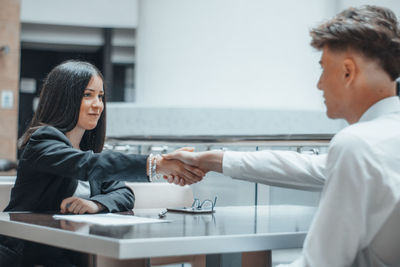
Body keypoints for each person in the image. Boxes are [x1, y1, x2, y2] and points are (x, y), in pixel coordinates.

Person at [164, 5, 400, 267]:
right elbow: (313, 167)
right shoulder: (382, 140)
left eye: (323, 68)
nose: (319, 84)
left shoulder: (357, 144)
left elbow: (321, 262)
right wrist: (215, 160)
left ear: (348, 71)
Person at [0, 60, 205, 266]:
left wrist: (95, 204)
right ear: (63, 99)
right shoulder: (42, 141)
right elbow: (87, 166)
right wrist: (157, 164)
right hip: (27, 255)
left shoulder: (89, 152)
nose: (98, 105)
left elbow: (124, 194)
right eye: (87, 95)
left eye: (100, 96)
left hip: (70, 253)